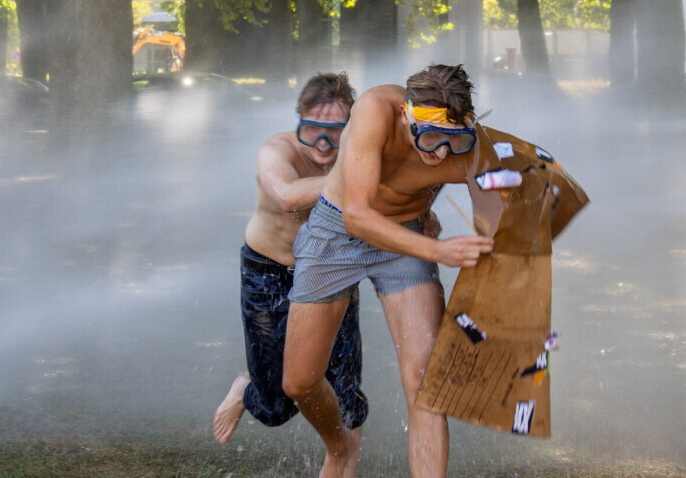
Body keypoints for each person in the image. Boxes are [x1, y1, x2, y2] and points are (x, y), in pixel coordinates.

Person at [282, 64, 497, 478]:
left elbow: (505, 212)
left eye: (453, 140)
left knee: (425, 384)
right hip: (338, 230)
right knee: (299, 383)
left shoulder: (473, 148)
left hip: (407, 237)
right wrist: (437, 250)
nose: (440, 153)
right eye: (430, 137)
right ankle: (339, 447)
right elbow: (356, 217)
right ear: (405, 115)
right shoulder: (375, 109)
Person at [212, 72, 368, 449]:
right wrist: (355, 177)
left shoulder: (360, 155)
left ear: (351, 129)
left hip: (330, 273)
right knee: (275, 407)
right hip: (268, 275)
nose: (323, 142)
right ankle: (245, 388)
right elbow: (287, 195)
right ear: (298, 121)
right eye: (313, 129)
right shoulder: (276, 151)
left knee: (346, 394)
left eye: (335, 131)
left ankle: (343, 458)